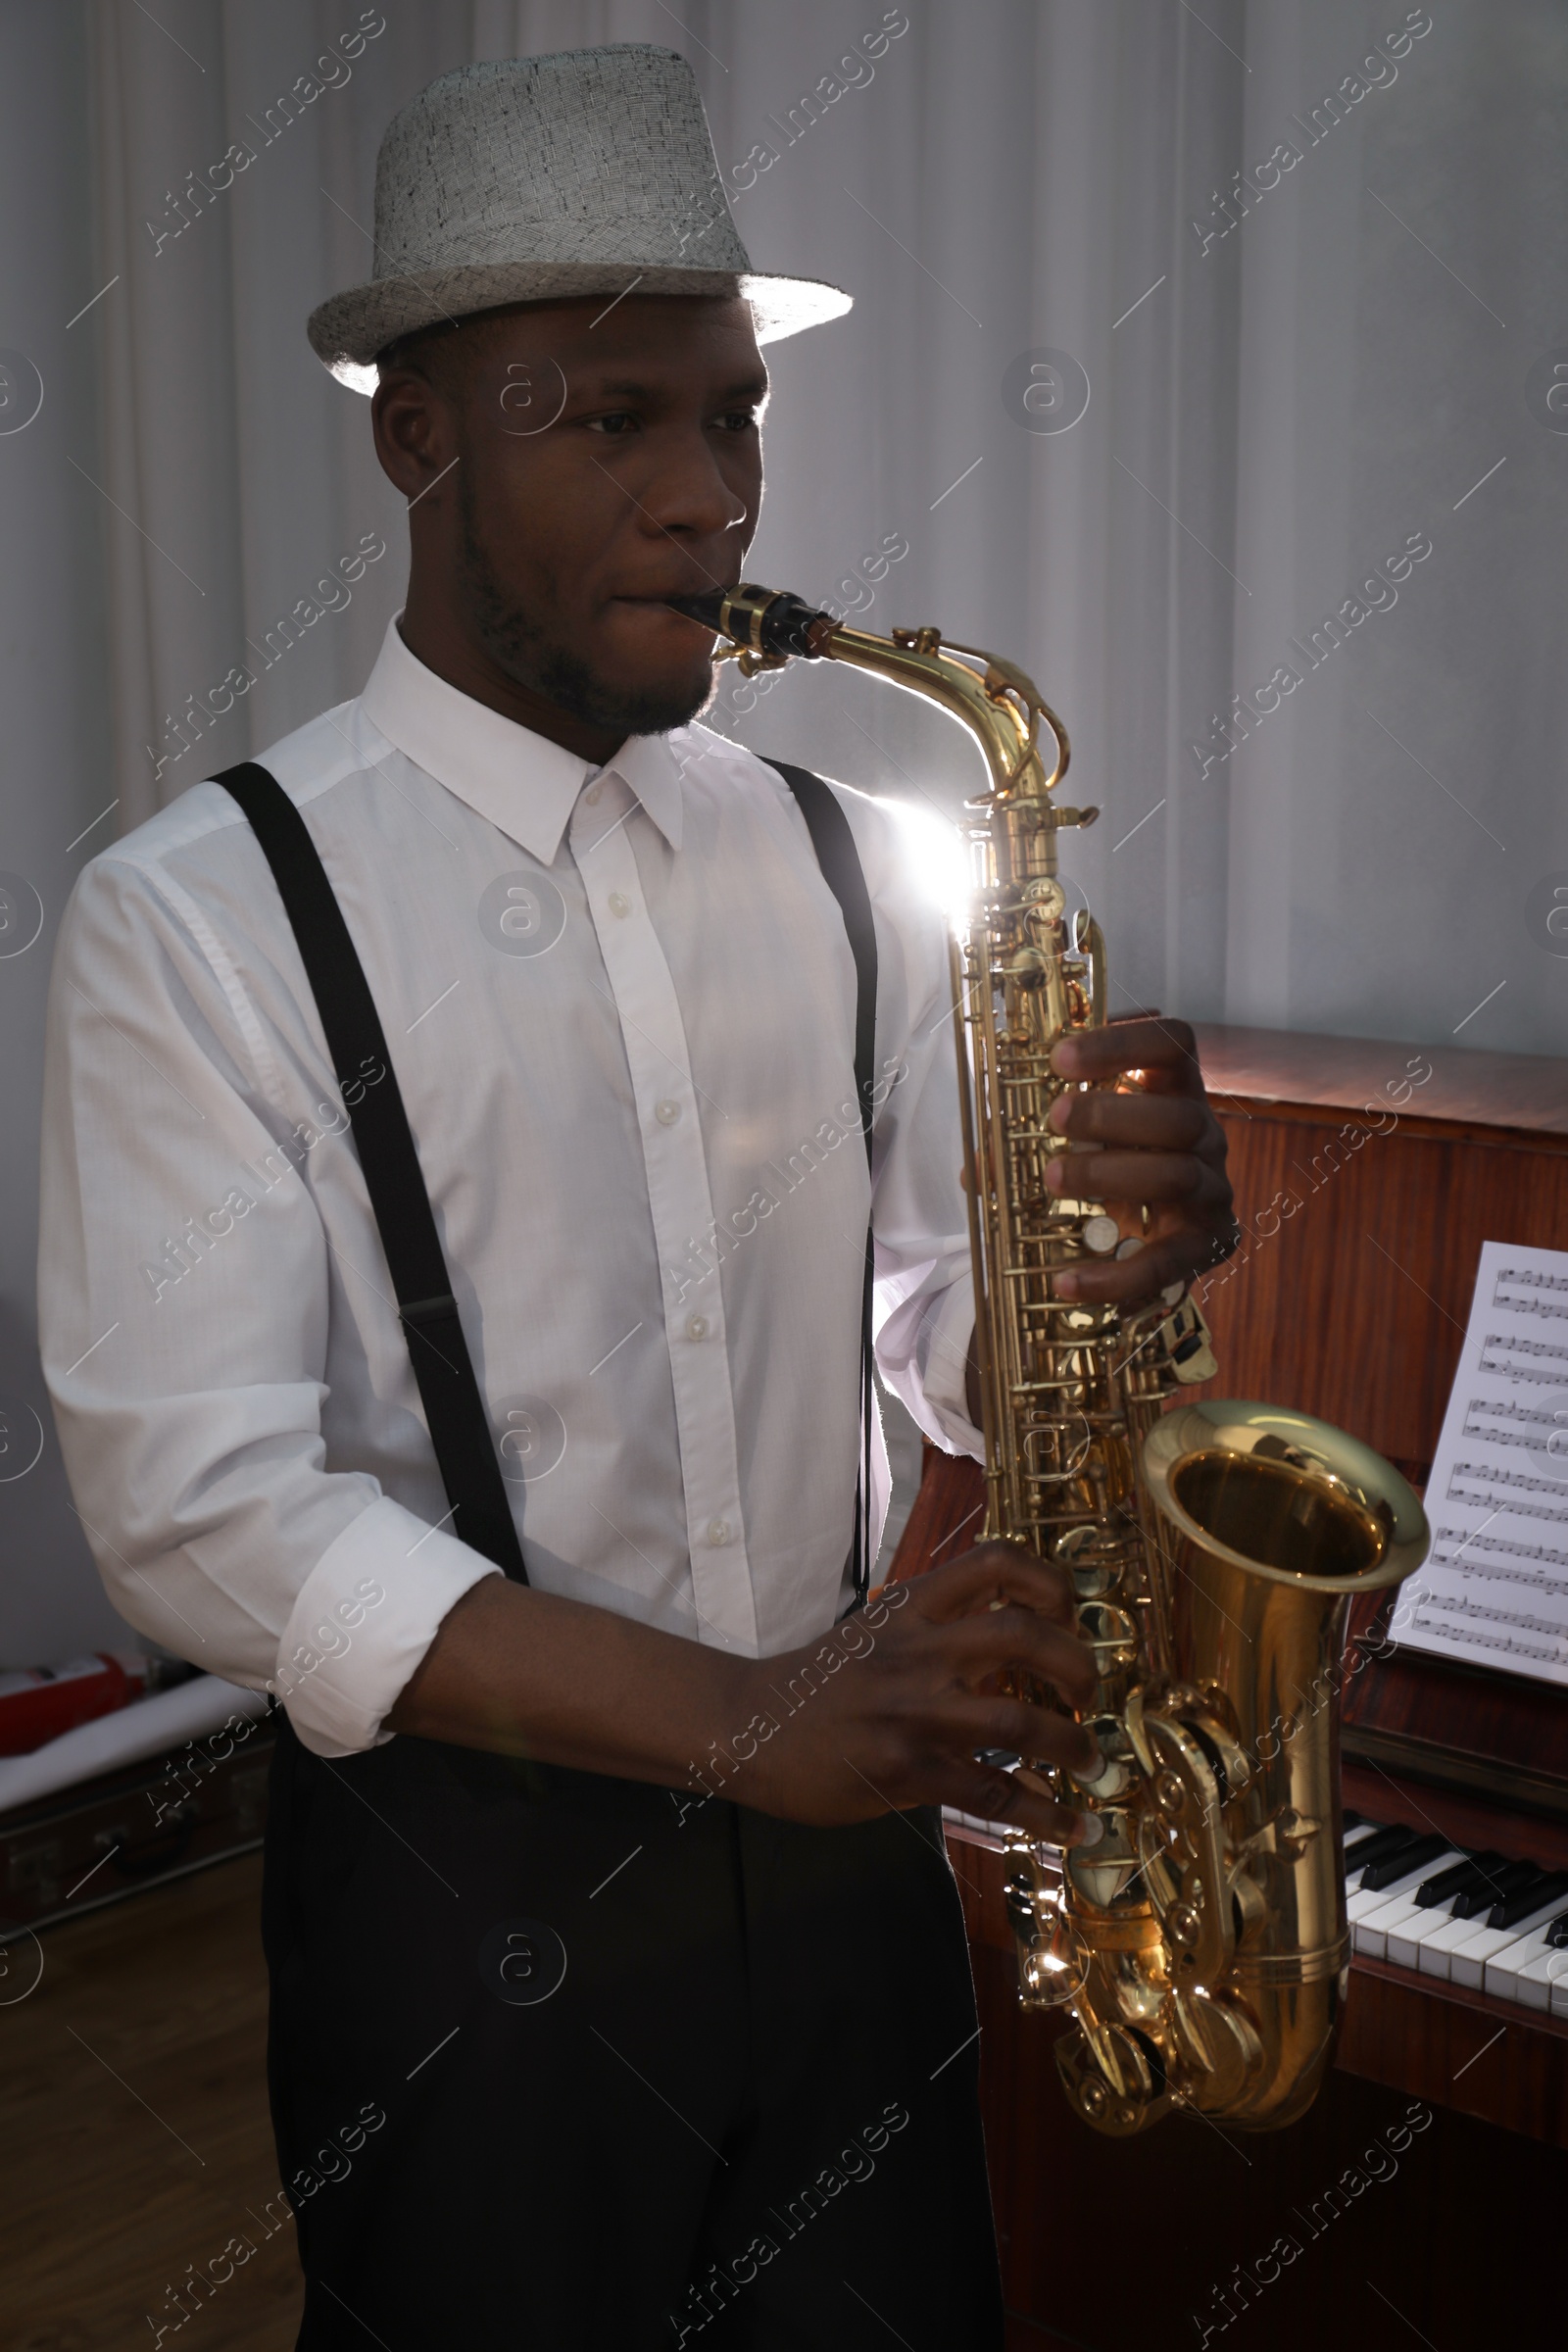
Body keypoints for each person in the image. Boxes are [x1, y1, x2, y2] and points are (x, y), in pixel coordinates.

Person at [39, 45, 1236, 2352]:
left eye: (737, 417)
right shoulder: (196, 912)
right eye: (610, 421)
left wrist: (1086, 1265)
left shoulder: (836, 847)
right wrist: (729, 1719)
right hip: (459, 1912)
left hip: (851, 1864)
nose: (711, 501)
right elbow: (199, 1516)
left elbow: (935, 1332)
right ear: (416, 437)